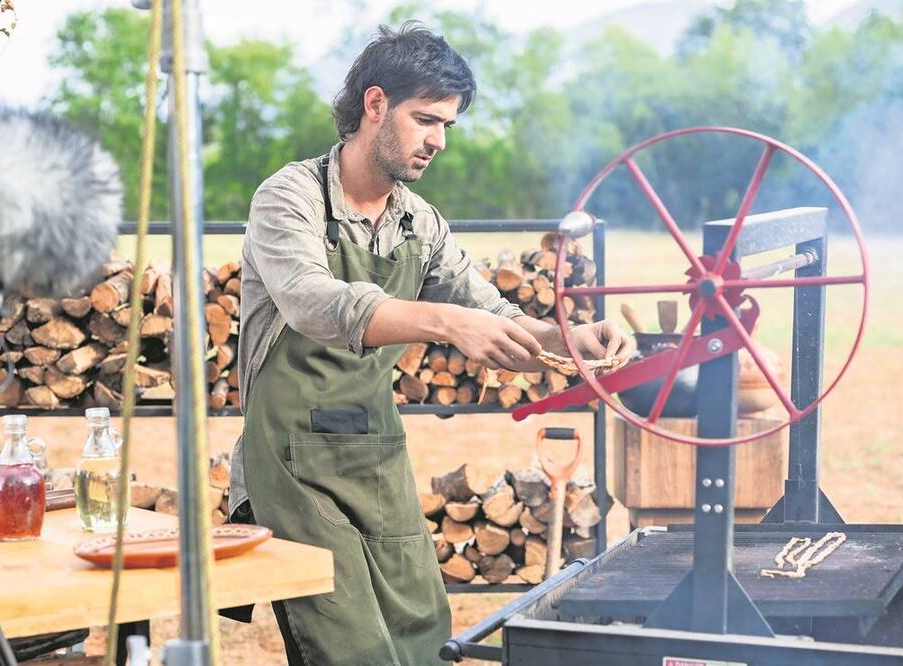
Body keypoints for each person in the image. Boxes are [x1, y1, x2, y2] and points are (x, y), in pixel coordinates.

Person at [226, 21, 632, 665]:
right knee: (350, 647)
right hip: (289, 463)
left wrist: (569, 335)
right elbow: (311, 301)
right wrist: (444, 324)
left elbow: (487, 312)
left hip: (373, 450)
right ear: (376, 104)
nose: (438, 140)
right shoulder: (289, 197)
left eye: (447, 124)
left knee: (422, 632)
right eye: (426, 119)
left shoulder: (420, 221)